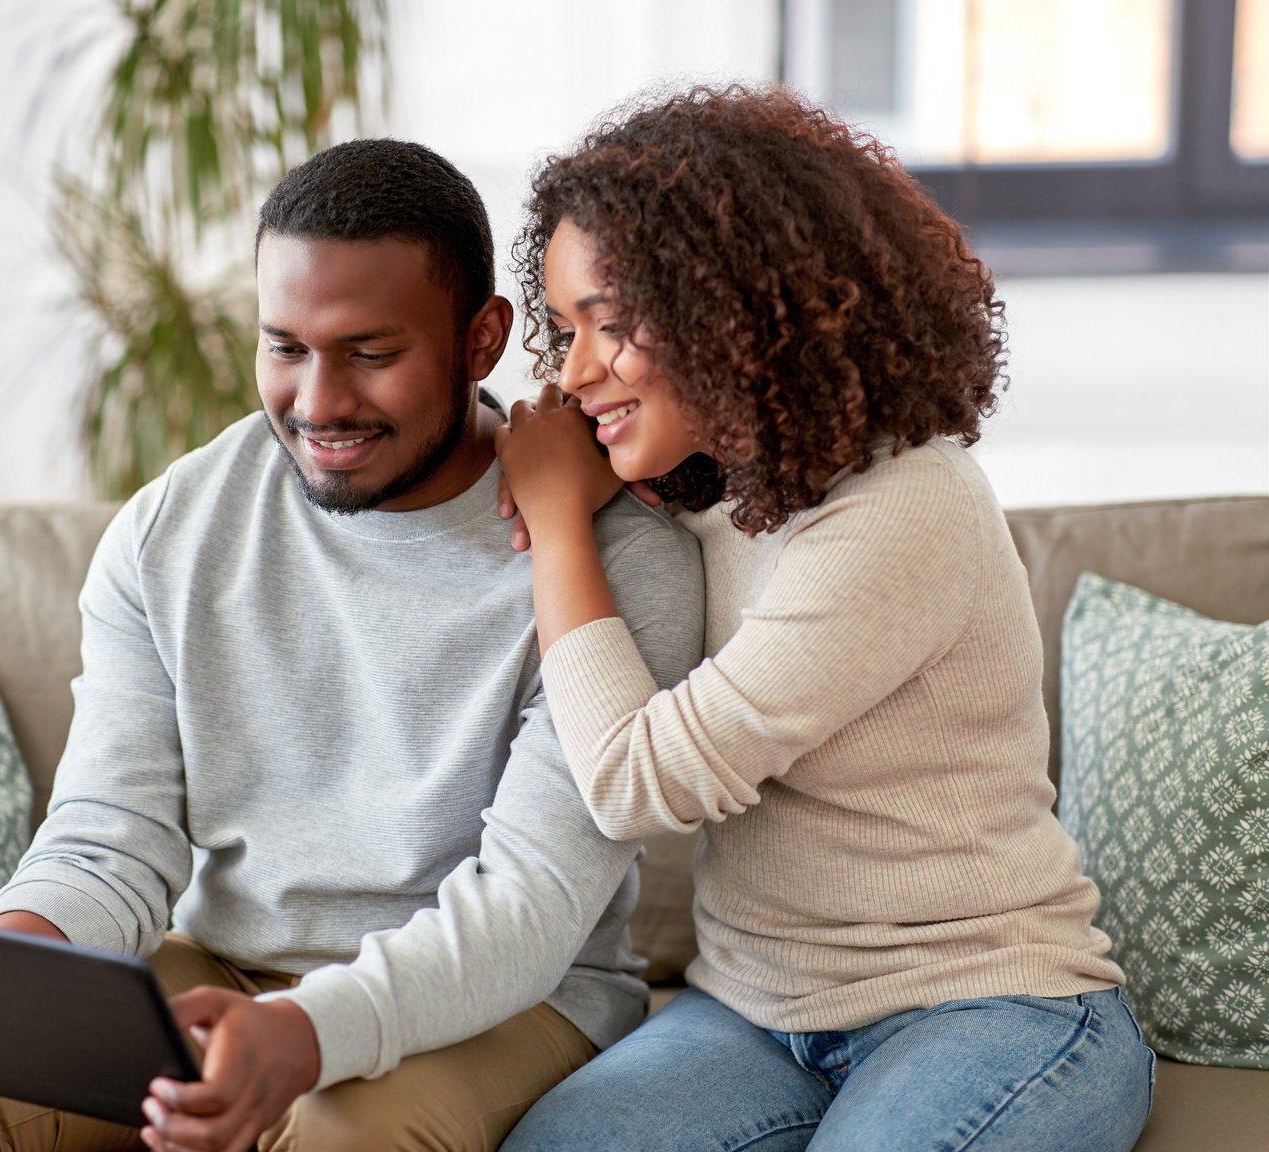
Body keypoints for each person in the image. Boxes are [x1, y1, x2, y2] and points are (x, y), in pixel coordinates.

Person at [0, 137, 704, 1152]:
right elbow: (112, 835)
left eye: (371, 354)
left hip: (505, 1001)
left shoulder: (613, 561)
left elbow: (530, 909)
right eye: (285, 347)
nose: (318, 403)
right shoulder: (171, 531)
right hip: (230, 970)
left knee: (341, 1131)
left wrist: (307, 1032)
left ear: (481, 338)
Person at [491, 86, 1156, 1152]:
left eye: (611, 325)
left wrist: (559, 522)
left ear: (738, 306)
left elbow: (639, 782)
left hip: (990, 1008)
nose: (573, 372)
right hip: (755, 1014)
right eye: (567, 329)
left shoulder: (904, 506)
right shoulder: (705, 484)